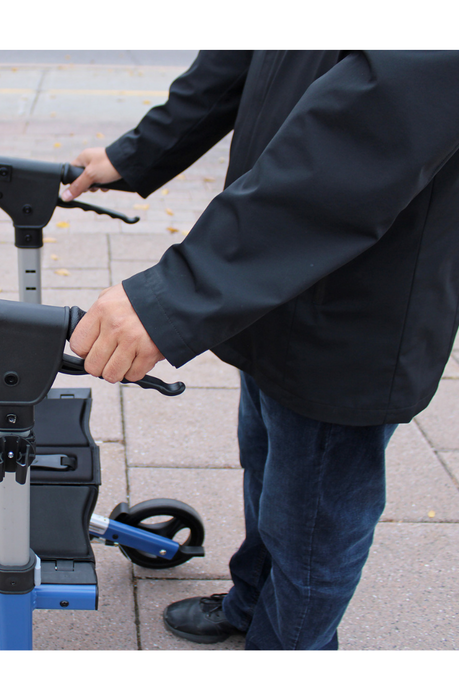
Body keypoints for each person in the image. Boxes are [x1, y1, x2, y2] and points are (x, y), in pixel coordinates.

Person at [61, 51, 459, 650]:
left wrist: (179, 291)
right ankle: (252, 600)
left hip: (363, 289)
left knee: (315, 517)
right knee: (268, 462)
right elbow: (244, 52)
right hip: (265, 264)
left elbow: (376, 121)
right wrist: (138, 152)